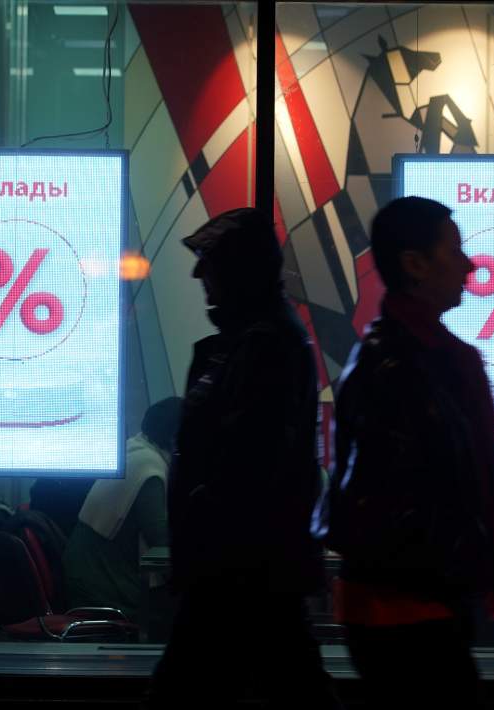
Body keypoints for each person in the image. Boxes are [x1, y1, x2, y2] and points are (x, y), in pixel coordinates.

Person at [314, 196, 494, 706]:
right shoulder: (428, 366)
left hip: (393, 601)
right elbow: (458, 485)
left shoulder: (383, 360)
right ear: (415, 264)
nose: (469, 265)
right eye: (455, 250)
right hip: (413, 603)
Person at [146, 208, 340, 710]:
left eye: (209, 262)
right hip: (245, 566)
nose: (198, 274)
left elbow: (247, 463)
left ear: (239, 271)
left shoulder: (263, 346)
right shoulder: (256, 341)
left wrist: (204, 527)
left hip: (237, 568)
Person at [63, 397, 183, 629]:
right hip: (105, 585)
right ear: (174, 437)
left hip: (87, 573)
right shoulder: (149, 470)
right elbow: (161, 541)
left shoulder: (134, 450)